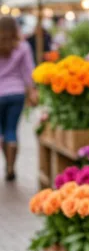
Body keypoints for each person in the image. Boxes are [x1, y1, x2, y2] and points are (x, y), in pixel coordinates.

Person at [0, 16, 35, 181]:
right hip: (16, 93)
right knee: (11, 130)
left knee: (1, 132)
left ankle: (7, 162)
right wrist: (32, 90)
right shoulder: (23, 47)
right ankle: (11, 167)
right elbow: (29, 72)